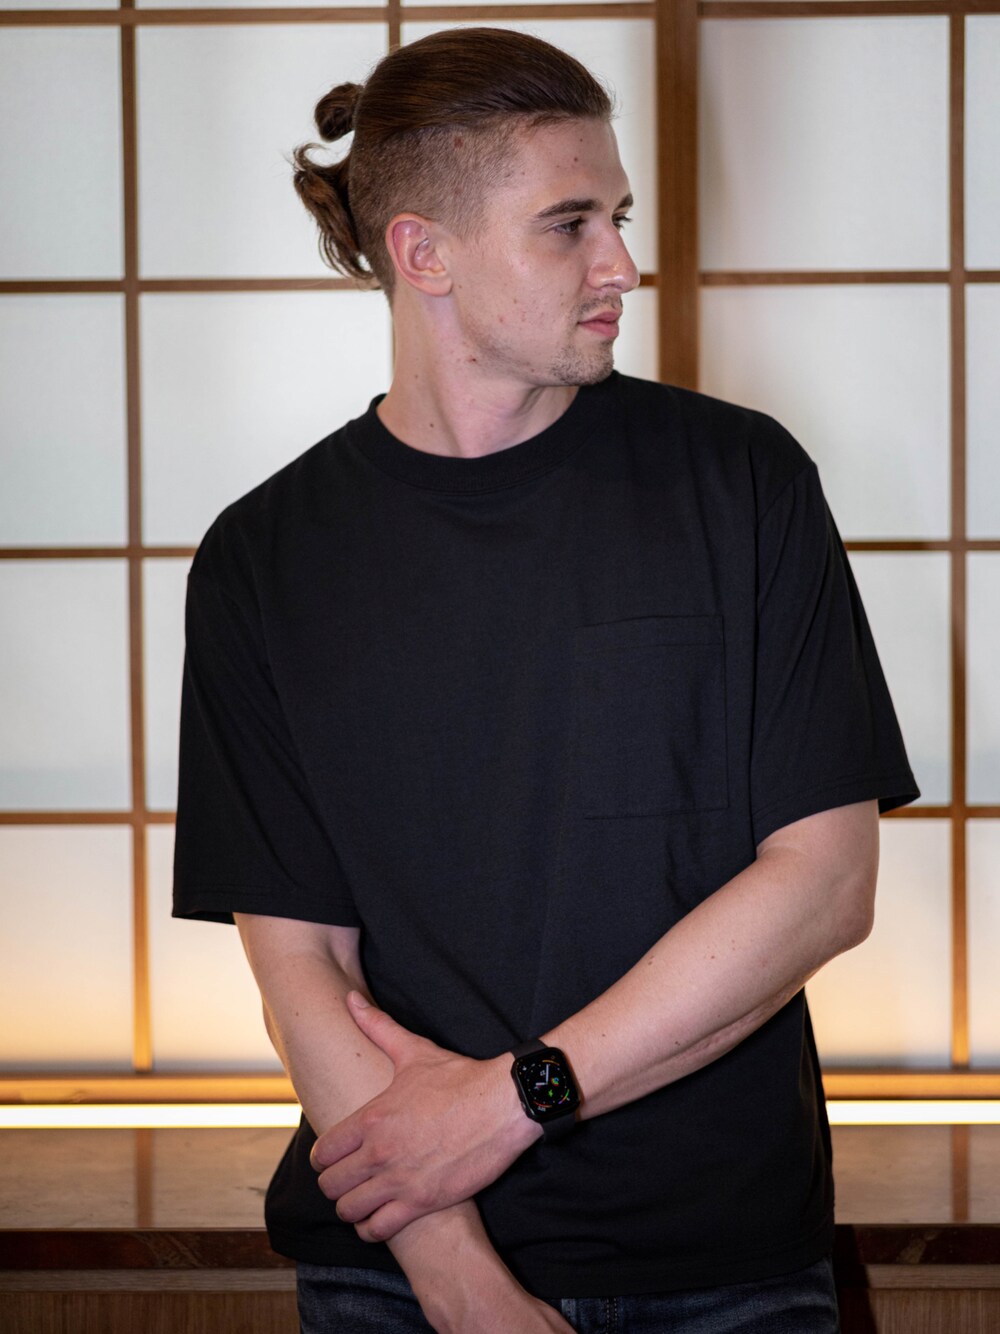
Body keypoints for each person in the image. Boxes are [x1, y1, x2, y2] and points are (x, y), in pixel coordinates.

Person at [172, 26, 919, 1334]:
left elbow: (825, 881)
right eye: (570, 225)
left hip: (722, 1261)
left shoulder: (741, 483)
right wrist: (461, 1281)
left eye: (617, 218)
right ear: (425, 253)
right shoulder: (265, 558)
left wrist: (515, 1097)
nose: (621, 263)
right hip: (399, 1265)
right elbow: (299, 964)